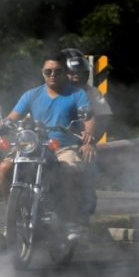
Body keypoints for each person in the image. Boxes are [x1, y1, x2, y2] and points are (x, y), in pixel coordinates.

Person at [0, 51, 96, 239]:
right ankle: (12, 217)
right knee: (4, 167)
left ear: (64, 72)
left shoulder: (77, 94)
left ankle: (70, 222)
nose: (52, 75)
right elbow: (12, 117)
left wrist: (88, 139)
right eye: (48, 71)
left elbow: (89, 117)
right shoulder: (32, 95)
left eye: (57, 71)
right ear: (42, 72)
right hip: (32, 143)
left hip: (63, 146)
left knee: (69, 170)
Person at [60, 48, 114, 221]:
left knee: (84, 170)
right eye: (71, 73)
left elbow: (104, 117)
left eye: (79, 73)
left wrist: (89, 142)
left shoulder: (91, 93)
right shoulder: (49, 91)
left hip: (78, 143)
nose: (75, 77)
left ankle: (80, 218)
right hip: (50, 142)